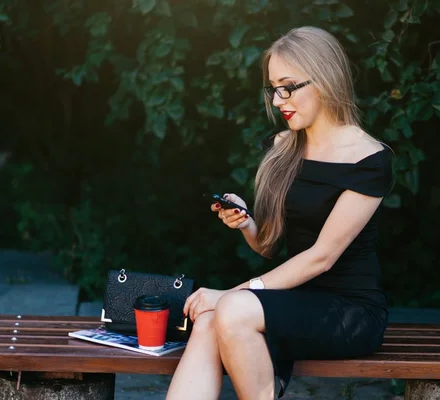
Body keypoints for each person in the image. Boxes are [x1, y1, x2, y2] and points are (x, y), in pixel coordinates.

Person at [165, 26, 393, 400]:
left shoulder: (368, 159)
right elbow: (269, 246)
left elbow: (321, 258)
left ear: (325, 79)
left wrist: (228, 294)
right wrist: (247, 224)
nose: (278, 99)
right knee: (208, 320)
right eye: (273, 88)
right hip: (288, 302)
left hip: (350, 312)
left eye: (288, 86)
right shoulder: (284, 145)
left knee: (231, 310)